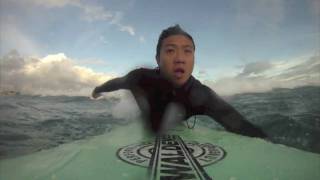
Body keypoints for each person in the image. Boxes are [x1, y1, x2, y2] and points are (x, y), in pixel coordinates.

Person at [92, 24, 267, 138]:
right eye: (170, 51)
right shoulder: (140, 78)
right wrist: (98, 89)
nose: (180, 59)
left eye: (187, 51)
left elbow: (241, 126)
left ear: (193, 58)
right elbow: (116, 83)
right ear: (157, 58)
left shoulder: (201, 95)